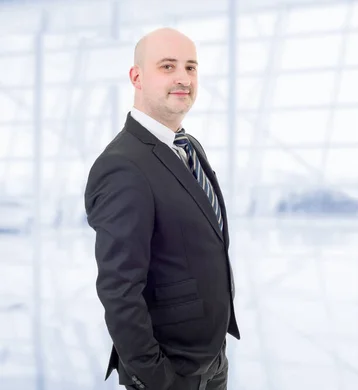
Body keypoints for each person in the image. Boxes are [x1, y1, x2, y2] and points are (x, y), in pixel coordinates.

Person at [84, 27, 240, 390]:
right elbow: (118, 288)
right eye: (168, 67)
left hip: (210, 359)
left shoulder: (188, 145)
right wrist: (154, 377)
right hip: (170, 372)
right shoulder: (122, 165)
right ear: (136, 77)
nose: (183, 78)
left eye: (191, 67)